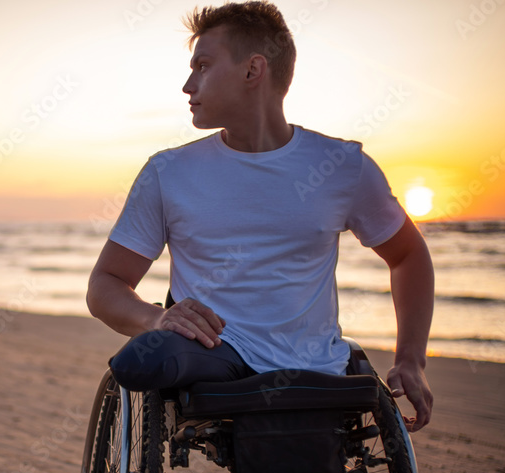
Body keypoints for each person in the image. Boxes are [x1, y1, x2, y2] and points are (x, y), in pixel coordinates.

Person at [86, 1, 434, 431]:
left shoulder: (342, 167)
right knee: (140, 361)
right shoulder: (168, 173)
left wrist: (411, 360)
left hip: (314, 364)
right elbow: (105, 285)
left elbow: (408, 256)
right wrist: (155, 318)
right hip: (216, 351)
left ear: (253, 71)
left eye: (203, 66)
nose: (187, 85)